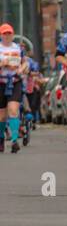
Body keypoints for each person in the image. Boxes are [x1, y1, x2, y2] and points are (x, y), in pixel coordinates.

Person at [0, 24, 27, 152]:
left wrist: (22, 69)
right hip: (1, 82)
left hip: (15, 81)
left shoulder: (18, 48)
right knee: (1, 116)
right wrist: (2, 63)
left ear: (12, 34)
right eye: (4, 33)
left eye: (9, 33)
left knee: (13, 110)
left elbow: (25, 62)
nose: (7, 36)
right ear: (1, 35)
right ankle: (1, 139)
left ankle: (14, 140)